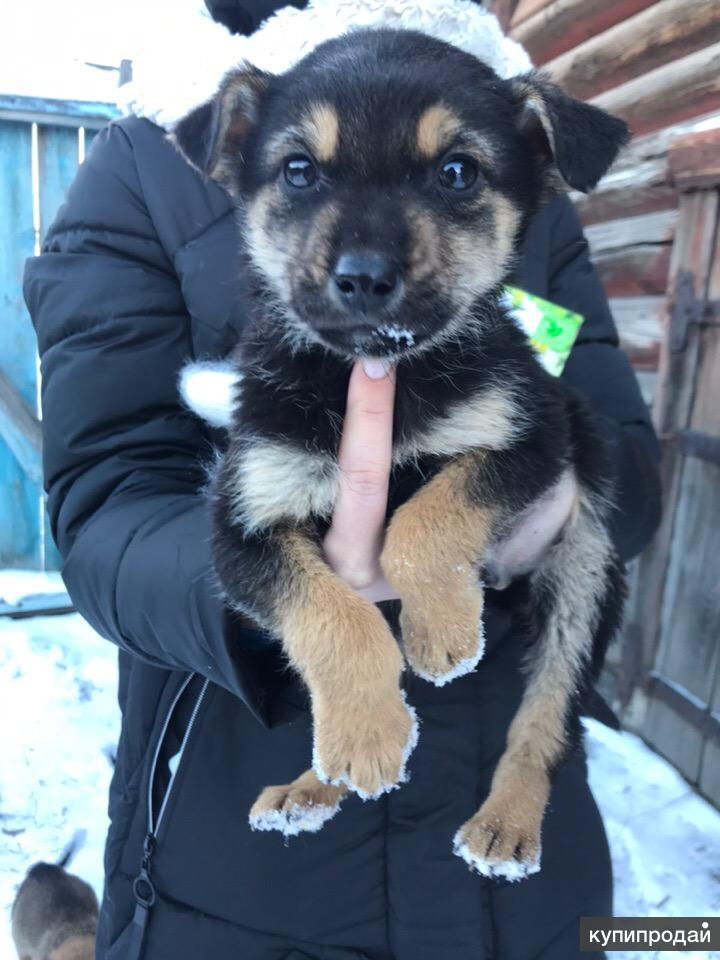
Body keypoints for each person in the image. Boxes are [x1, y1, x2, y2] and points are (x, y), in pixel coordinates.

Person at [24, 1, 661, 957]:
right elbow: (106, 505)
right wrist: (309, 603)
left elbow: (625, 459)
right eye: (299, 173)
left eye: (452, 176)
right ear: (239, 156)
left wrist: (541, 506)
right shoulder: (148, 160)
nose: (367, 258)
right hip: (230, 866)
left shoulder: (506, 128)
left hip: (528, 889)